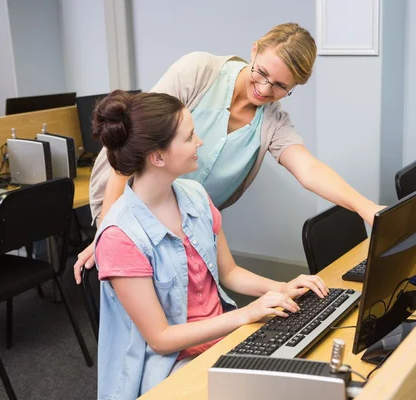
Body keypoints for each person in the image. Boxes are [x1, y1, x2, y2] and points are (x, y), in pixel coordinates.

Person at [74, 22, 383, 283]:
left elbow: (309, 170)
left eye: (279, 86)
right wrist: (109, 228)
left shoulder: (272, 121)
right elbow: (133, 138)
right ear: (254, 50)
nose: (264, 89)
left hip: (182, 219)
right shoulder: (199, 71)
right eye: (261, 72)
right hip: (124, 197)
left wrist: (366, 207)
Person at [92, 90, 328, 399]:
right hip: (168, 367)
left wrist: (281, 288)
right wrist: (245, 314)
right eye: (189, 137)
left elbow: (229, 272)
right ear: (158, 156)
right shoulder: (119, 236)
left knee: (309, 375)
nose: (199, 142)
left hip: (221, 341)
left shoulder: (194, 196)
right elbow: (161, 338)